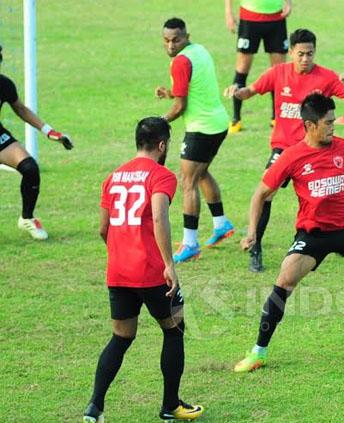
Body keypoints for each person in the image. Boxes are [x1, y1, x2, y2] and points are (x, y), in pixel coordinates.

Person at [233, 94, 344, 372]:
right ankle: (258, 352)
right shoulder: (292, 156)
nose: (333, 126)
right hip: (313, 235)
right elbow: (260, 194)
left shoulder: (343, 148)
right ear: (310, 125)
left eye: (334, 120)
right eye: (328, 122)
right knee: (284, 282)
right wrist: (252, 232)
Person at [84, 117, 203, 422]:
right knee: (174, 329)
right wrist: (169, 265)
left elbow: (102, 228)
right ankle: (170, 405)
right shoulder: (161, 176)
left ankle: (94, 407)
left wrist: (120, 254)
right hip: (150, 272)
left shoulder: (113, 177)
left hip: (118, 273)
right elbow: (160, 218)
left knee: (121, 337)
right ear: (162, 145)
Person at [225, 28, 344, 272]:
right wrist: (238, 91)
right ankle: (255, 244)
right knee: (266, 194)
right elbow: (252, 91)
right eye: (300, 54)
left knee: (324, 196)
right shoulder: (278, 73)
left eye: (310, 54)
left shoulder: (326, 77)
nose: (305, 59)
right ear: (290, 52)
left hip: (313, 150)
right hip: (284, 148)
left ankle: (320, 243)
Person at [156, 17, 234, 263]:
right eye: (166, 40)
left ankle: (190, 244)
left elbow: (180, 106)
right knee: (200, 174)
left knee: (187, 181)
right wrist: (169, 93)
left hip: (202, 128)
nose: (171, 45)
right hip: (218, 122)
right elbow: (192, 88)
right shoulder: (198, 50)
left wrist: (159, 122)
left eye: (176, 40)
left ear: (186, 36)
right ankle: (221, 224)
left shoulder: (181, 62)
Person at [0, 44, 73, 240]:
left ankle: (27, 218)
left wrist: (49, 131)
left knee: (30, 168)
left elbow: (21, 110)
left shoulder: (4, 84)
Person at [223, 0, 292, 132]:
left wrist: (288, 2)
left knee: (279, 71)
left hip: (276, 17)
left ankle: (276, 118)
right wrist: (228, 13)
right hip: (250, 17)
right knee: (242, 69)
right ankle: (236, 119)